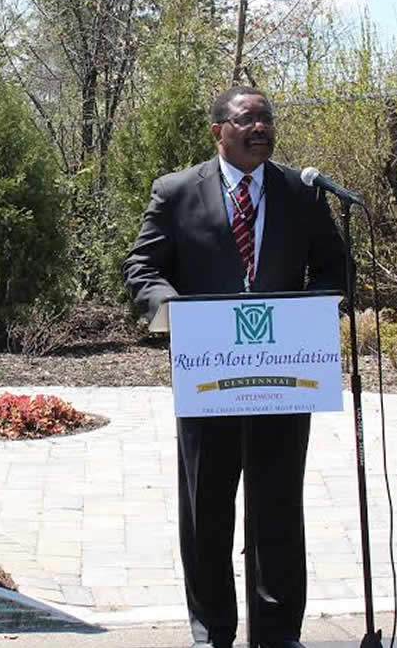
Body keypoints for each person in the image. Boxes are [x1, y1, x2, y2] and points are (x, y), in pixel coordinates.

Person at [121, 85, 347, 648]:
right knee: (208, 511)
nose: (261, 128)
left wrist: (313, 307)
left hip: (282, 376)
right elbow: (143, 267)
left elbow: (334, 267)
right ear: (218, 130)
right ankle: (213, 630)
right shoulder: (176, 193)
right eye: (248, 120)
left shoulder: (301, 191)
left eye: (267, 119)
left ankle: (276, 631)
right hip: (210, 377)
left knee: (277, 504)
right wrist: (170, 310)